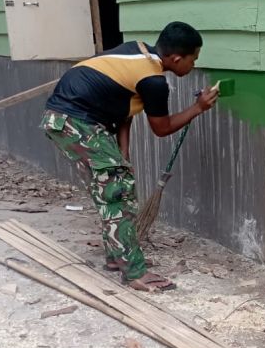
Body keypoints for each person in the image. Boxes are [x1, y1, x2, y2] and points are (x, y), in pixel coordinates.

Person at [41, 21, 218, 292]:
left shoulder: (139, 52)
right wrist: (198, 107)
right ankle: (134, 272)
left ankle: (116, 258)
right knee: (118, 194)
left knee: (112, 188)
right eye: (193, 59)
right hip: (76, 121)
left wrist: (123, 151)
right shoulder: (154, 81)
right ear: (176, 58)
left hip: (67, 119)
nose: (193, 65)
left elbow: (123, 107)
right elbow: (162, 128)